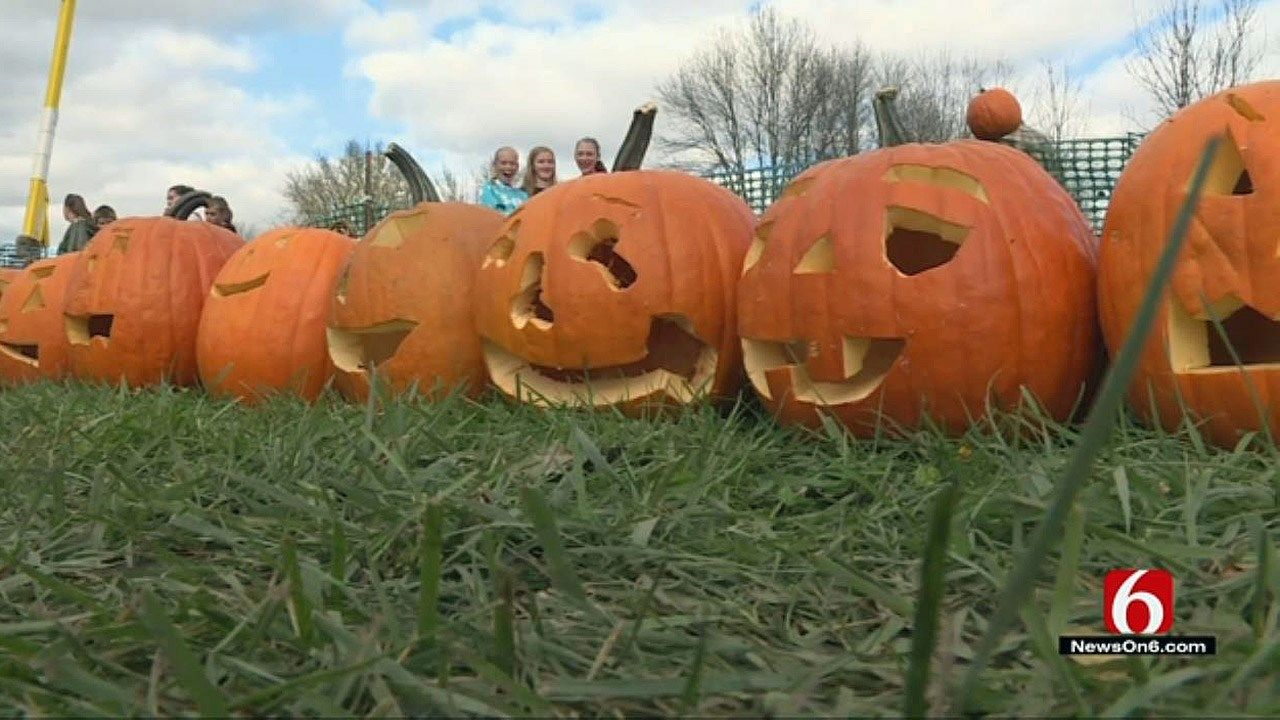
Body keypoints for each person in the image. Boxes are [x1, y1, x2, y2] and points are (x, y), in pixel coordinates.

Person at [479, 146, 529, 215]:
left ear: (517, 167)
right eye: (503, 163)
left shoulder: (523, 195)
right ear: (495, 165)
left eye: (512, 163)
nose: (508, 167)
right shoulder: (489, 189)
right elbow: (492, 215)